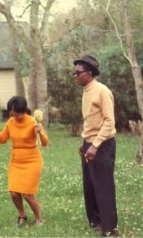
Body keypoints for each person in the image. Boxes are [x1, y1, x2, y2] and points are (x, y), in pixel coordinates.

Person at [73, 55, 119, 236]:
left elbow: (109, 122)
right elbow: (91, 120)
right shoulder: (86, 91)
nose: (75, 76)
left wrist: (95, 145)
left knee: (103, 186)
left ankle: (110, 228)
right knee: (90, 186)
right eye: (74, 73)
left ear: (89, 73)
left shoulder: (102, 91)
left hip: (102, 145)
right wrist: (85, 143)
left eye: (78, 73)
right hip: (89, 143)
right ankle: (96, 222)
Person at [0, 96, 49, 227]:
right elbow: (2, 139)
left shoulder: (33, 122)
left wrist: (40, 132)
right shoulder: (10, 122)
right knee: (14, 192)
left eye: (18, 113)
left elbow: (44, 143)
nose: (15, 115)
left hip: (32, 160)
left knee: (27, 194)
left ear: (24, 110)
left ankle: (39, 218)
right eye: (13, 112)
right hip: (16, 160)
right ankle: (22, 215)